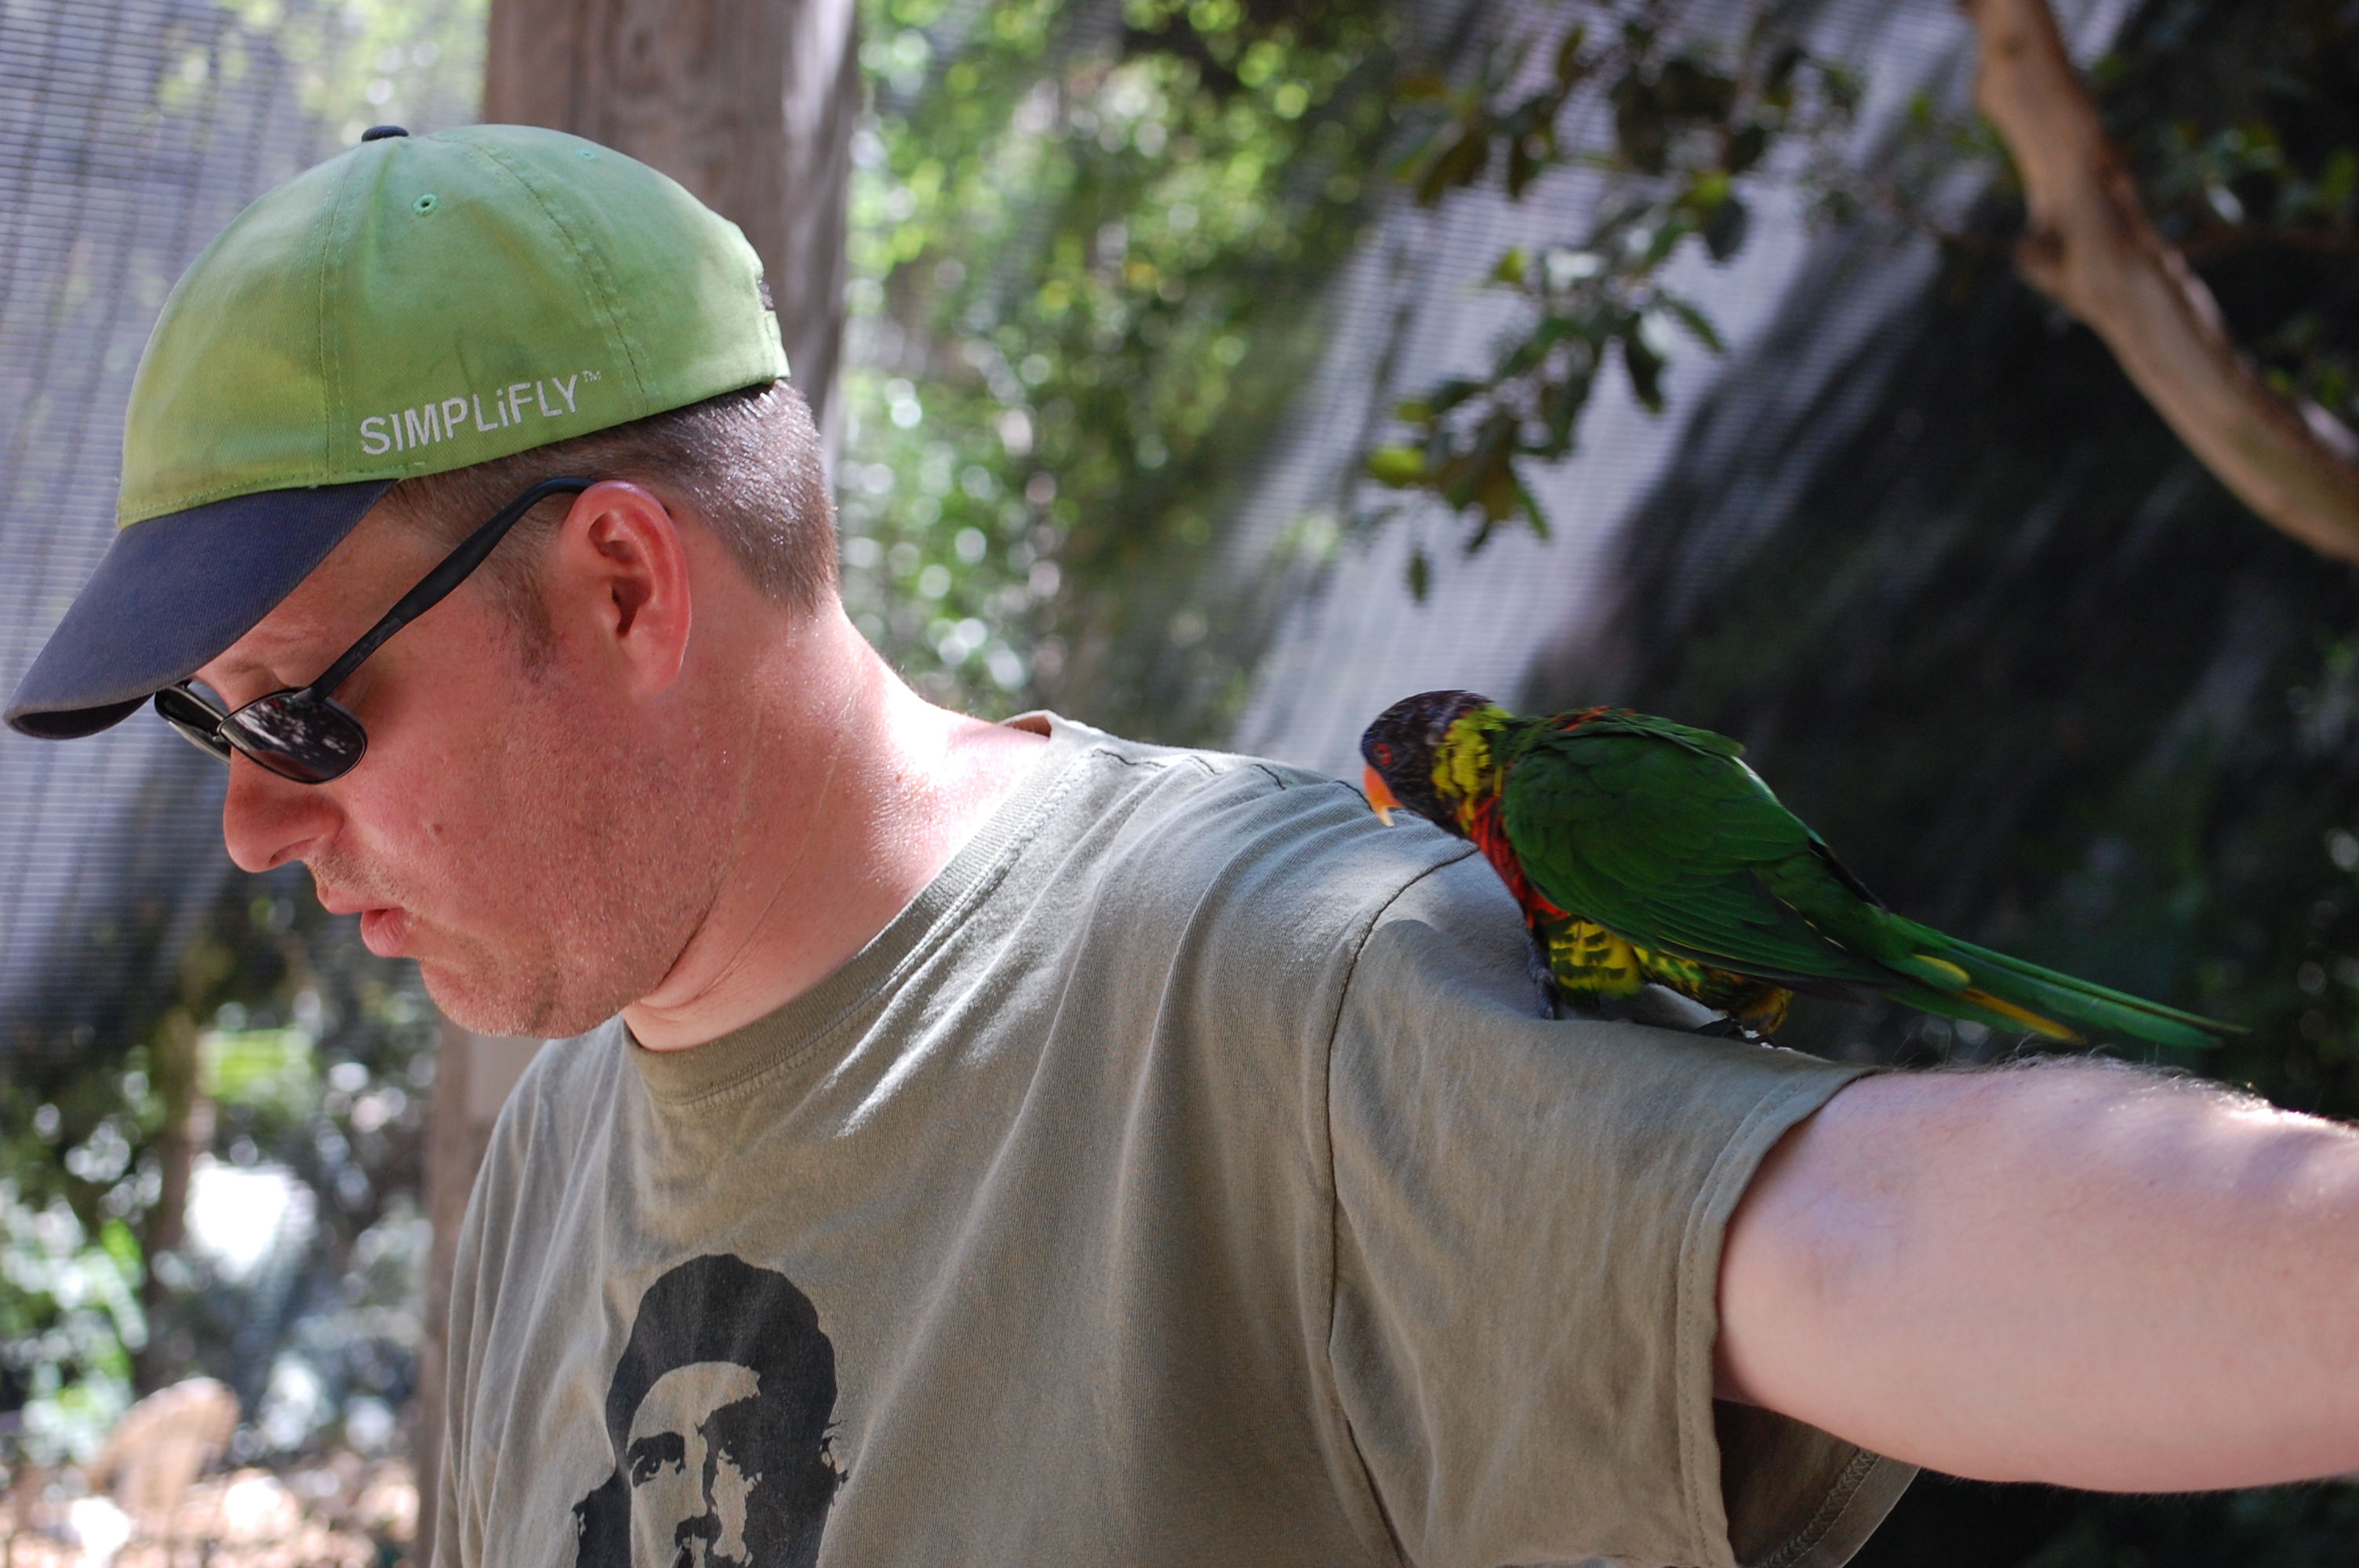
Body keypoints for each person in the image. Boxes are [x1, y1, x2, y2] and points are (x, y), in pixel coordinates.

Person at [8, 125, 2355, 1568]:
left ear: (626, 584)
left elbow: (1855, 1230)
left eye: (296, 705)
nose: (252, 822)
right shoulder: (550, 1149)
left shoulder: (1277, 980)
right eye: (208, 724)